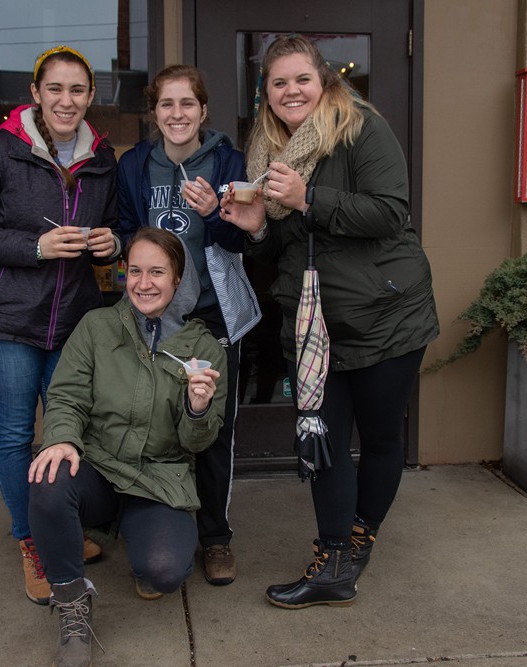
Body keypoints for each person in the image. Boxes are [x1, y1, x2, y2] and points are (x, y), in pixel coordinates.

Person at [219, 34, 439, 609]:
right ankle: (334, 561)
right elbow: (284, 252)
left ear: (325, 82)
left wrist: (309, 198)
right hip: (314, 325)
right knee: (324, 441)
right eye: (278, 83)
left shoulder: (362, 128)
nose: (291, 91)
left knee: (383, 437)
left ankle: (361, 533)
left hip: (386, 315)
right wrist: (256, 228)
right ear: (264, 93)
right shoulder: (268, 151)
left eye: (302, 79)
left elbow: (391, 212)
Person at [0, 45, 119, 605]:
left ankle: (59, 528)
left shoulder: (103, 158)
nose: (66, 100)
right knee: (18, 435)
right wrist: (34, 247)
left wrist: (108, 245)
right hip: (6, 320)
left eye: (77, 90)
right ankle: (32, 544)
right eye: (55, 89)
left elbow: (109, 228)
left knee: (69, 435)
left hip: (73, 322)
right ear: (37, 94)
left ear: (91, 97)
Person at [27, 227, 226, 667]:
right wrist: (60, 438)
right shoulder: (97, 326)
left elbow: (202, 440)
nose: (143, 282)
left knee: (165, 571)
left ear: (178, 280)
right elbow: (67, 396)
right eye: (134, 270)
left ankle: (136, 536)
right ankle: (73, 605)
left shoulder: (204, 348)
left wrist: (196, 408)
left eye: (157, 271)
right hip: (99, 466)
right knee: (48, 474)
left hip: (157, 478)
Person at [116, 64, 259, 585]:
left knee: (212, 428)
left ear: (203, 110)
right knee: (153, 423)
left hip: (212, 316)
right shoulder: (135, 164)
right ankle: (155, 528)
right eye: (166, 104)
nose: (177, 114)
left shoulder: (227, 160)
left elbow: (246, 239)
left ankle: (216, 539)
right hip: (154, 315)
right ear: (154, 113)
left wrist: (216, 215)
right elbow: (125, 232)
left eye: (187, 104)